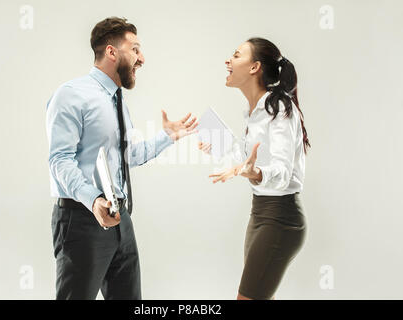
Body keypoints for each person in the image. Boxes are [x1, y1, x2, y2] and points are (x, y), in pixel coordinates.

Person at [46, 17, 198, 300]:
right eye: (136, 49)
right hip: (81, 219)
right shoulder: (71, 95)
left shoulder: (116, 101)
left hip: (121, 219)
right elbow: (60, 160)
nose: (142, 58)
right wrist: (93, 200)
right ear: (111, 52)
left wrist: (168, 136)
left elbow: (130, 156)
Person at [198, 37, 311, 300]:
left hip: (281, 219)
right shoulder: (255, 111)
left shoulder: (279, 108)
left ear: (254, 67)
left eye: (236, 55)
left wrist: (255, 173)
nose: (228, 60)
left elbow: (282, 174)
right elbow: (246, 156)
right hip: (259, 214)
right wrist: (219, 144)